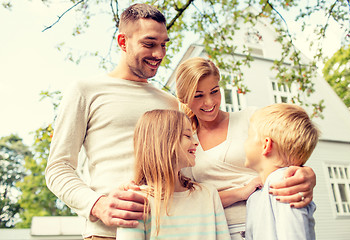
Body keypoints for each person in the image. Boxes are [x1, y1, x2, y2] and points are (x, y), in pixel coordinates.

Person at [45, 4, 178, 239]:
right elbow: (58, 168)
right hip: (108, 234)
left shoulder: (171, 103)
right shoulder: (86, 91)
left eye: (164, 44)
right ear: (123, 42)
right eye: (149, 44)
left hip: (168, 231)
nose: (159, 54)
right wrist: (98, 205)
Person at [175, 57, 317, 239]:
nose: (210, 102)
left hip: (269, 220)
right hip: (220, 231)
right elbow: (192, 200)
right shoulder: (187, 143)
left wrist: (306, 172)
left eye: (214, 91)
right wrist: (240, 193)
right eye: (198, 95)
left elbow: (290, 148)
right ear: (184, 98)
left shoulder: (250, 118)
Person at [116, 109, 231, 239]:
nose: (196, 142)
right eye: (188, 136)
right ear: (163, 141)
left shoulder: (209, 194)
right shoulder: (136, 202)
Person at [244, 103, 319, 240]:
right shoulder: (256, 196)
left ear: (266, 145)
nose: (245, 142)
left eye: (249, 136)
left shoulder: (284, 184)